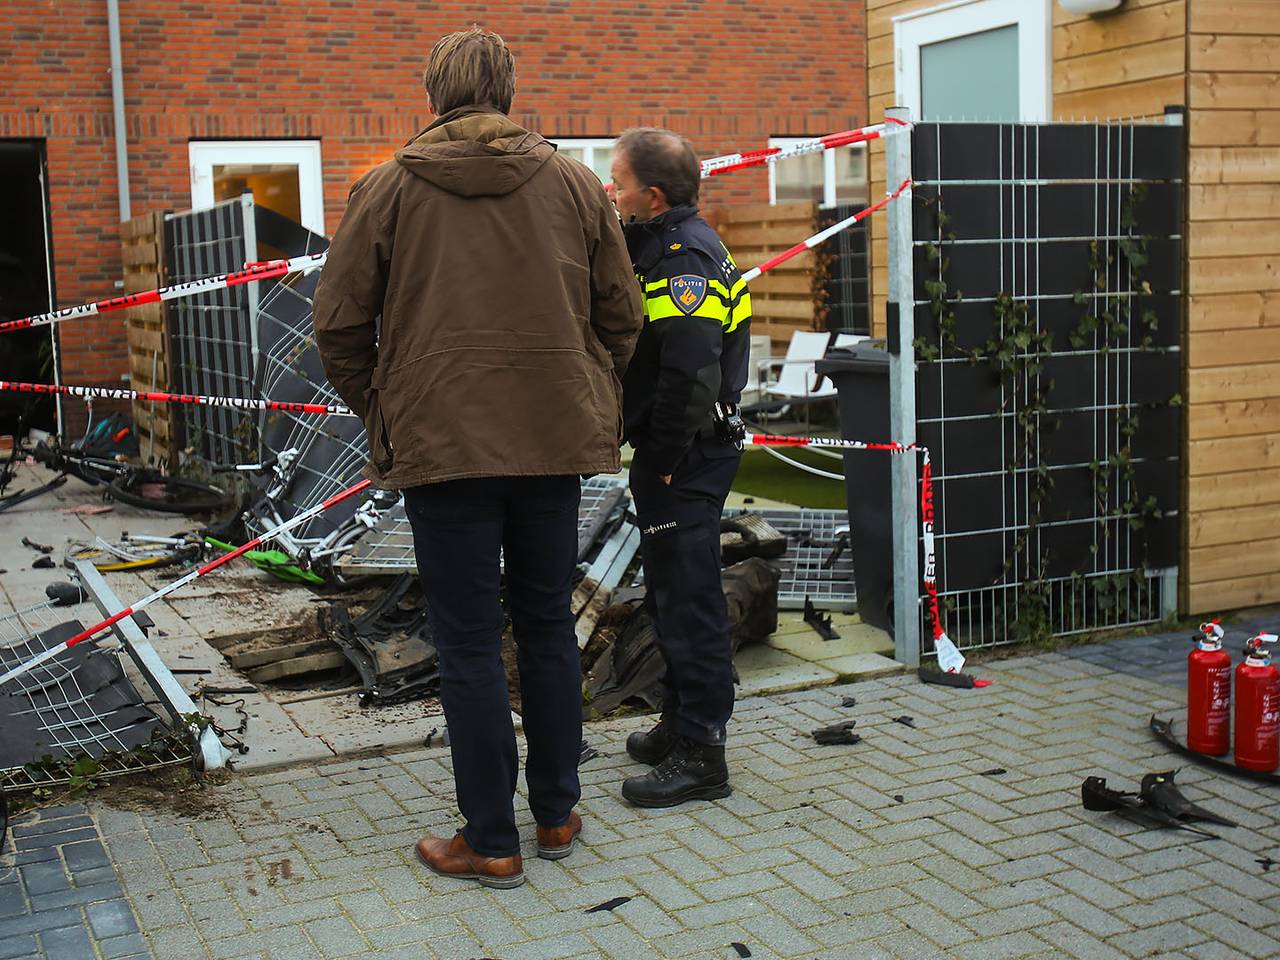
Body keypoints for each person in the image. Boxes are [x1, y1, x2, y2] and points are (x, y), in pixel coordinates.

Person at [313, 27, 642, 889]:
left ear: (431, 95)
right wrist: (586, 386)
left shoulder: (385, 188)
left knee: (465, 642)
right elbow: (623, 314)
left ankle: (492, 839)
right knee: (546, 625)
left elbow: (338, 327)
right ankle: (557, 812)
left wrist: (387, 406)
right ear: (507, 91)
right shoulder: (575, 184)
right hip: (550, 440)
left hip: (443, 445)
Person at [609, 128, 753, 808]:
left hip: (685, 455)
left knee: (691, 602)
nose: (613, 193)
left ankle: (703, 754)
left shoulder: (685, 257)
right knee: (669, 593)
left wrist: (663, 458)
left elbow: (691, 373)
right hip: (677, 452)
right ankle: (678, 721)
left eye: (620, 184)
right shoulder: (665, 244)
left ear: (654, 195)